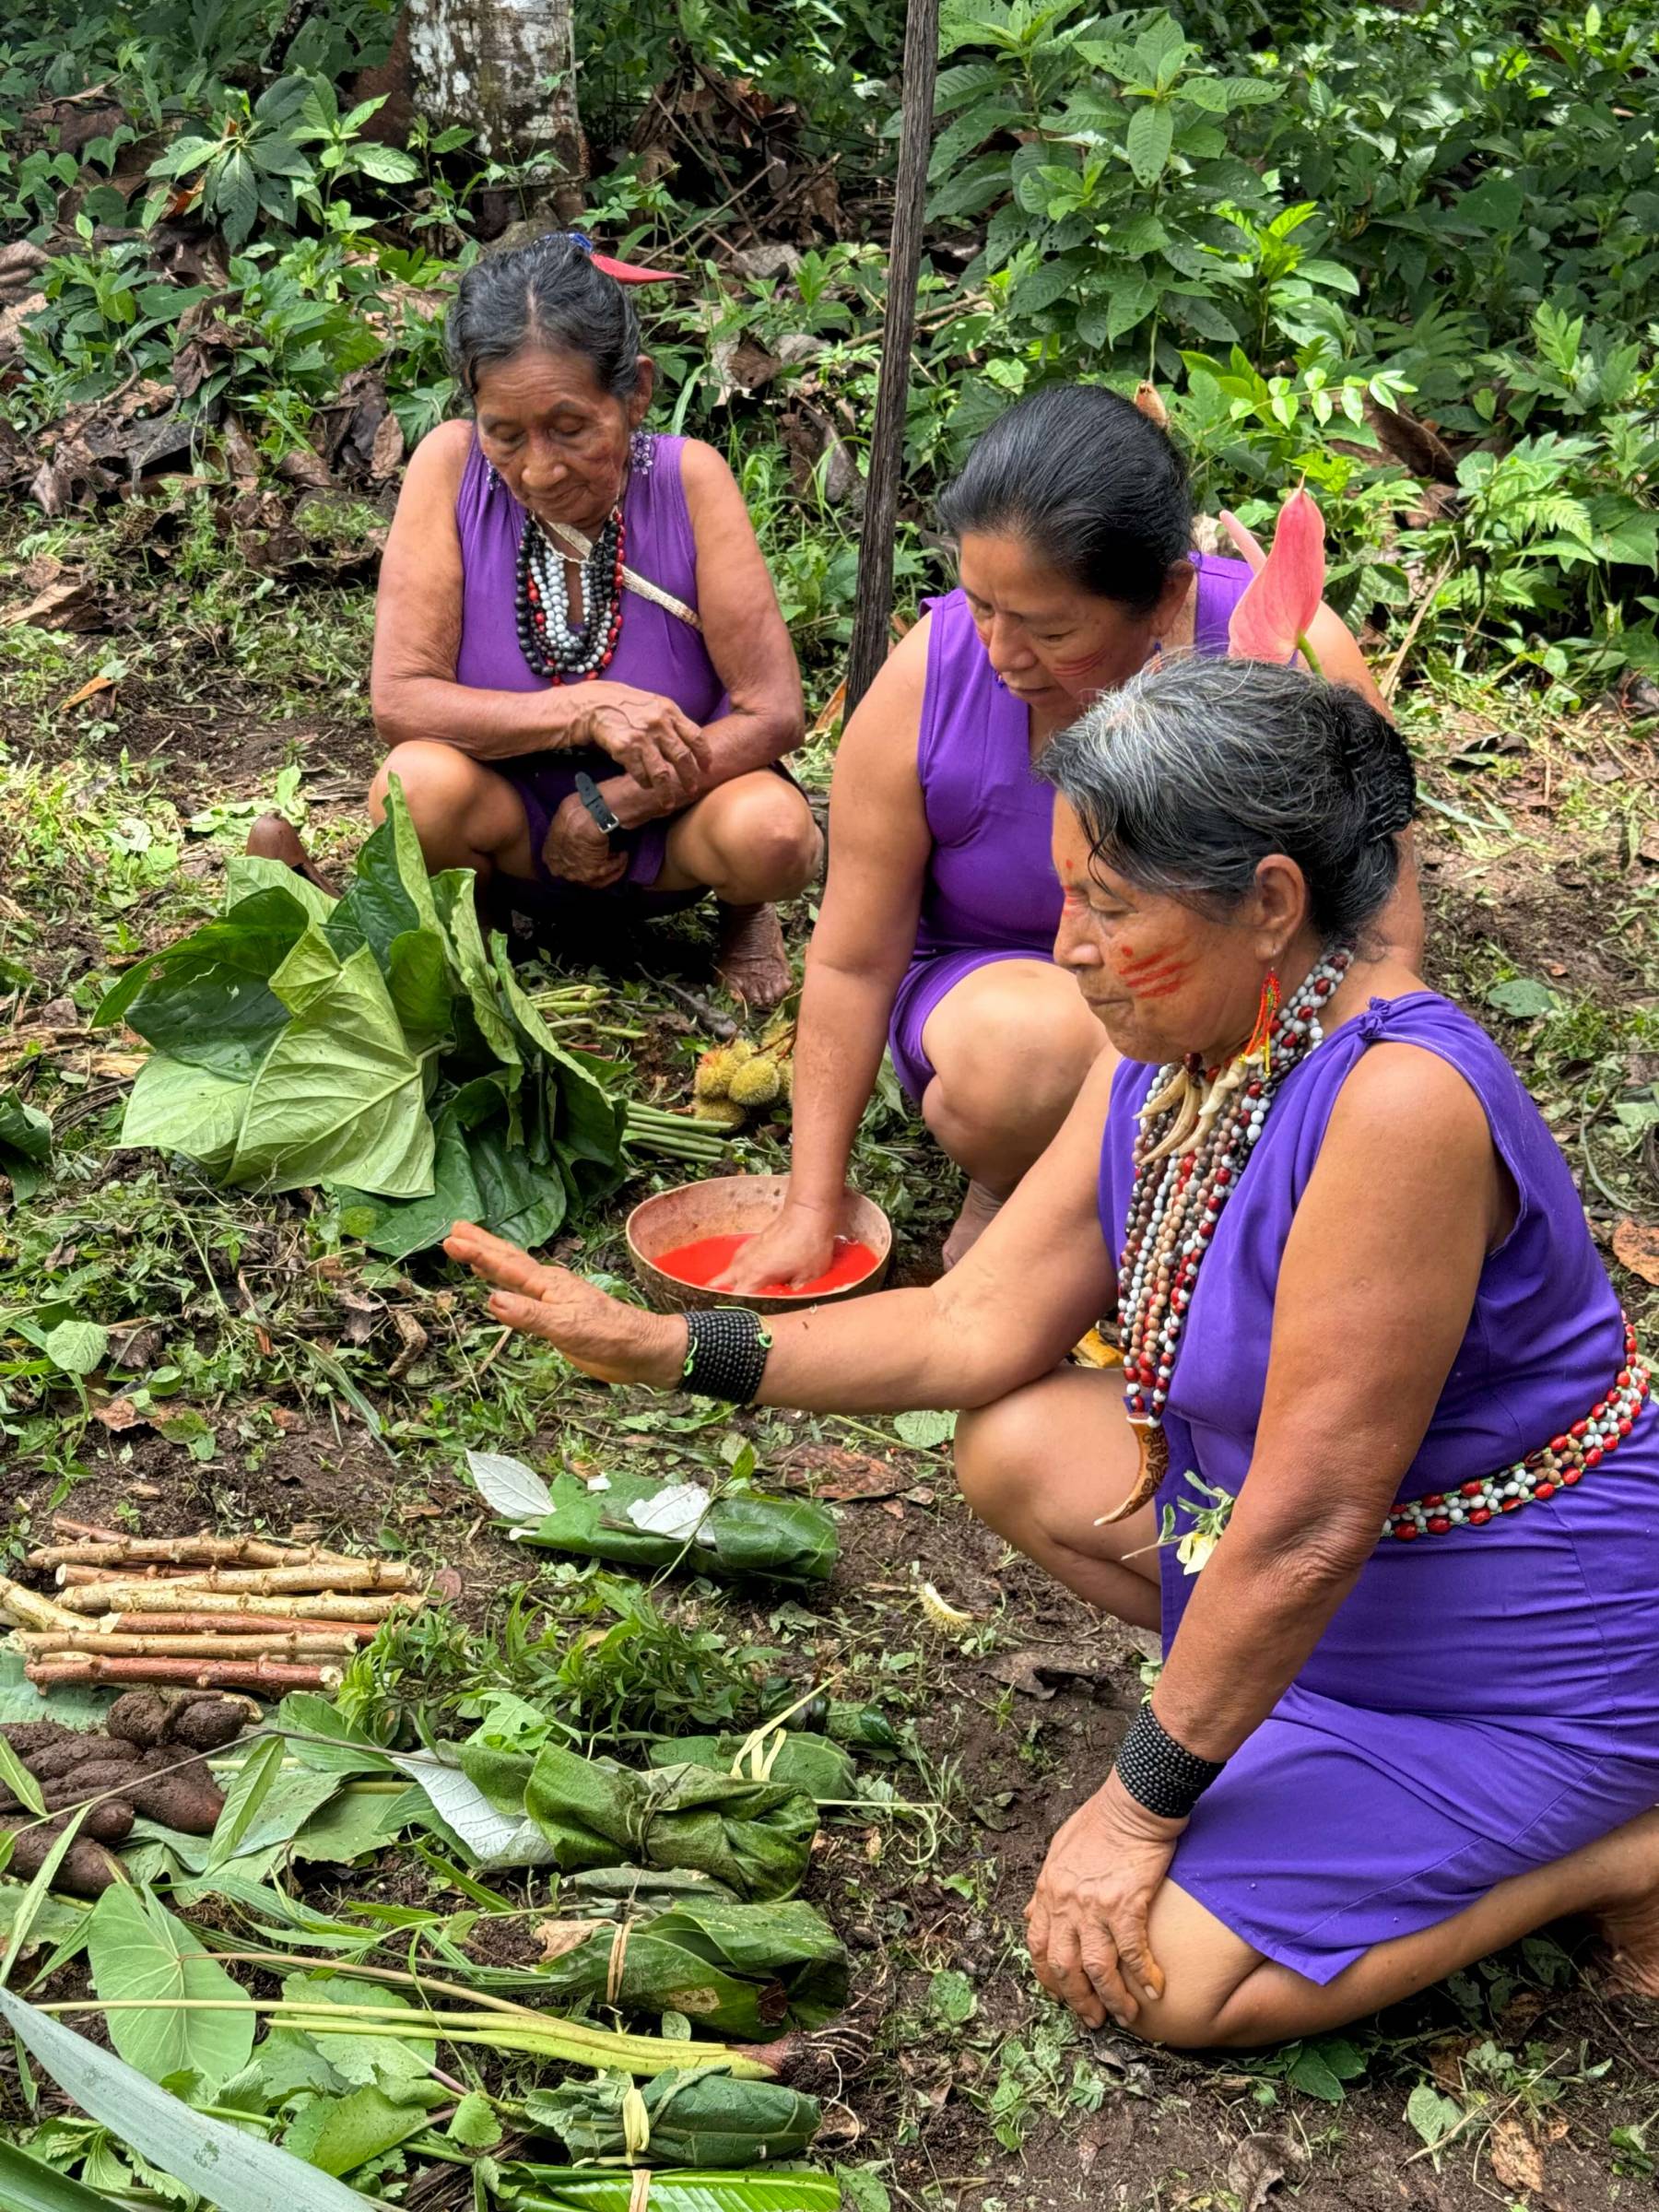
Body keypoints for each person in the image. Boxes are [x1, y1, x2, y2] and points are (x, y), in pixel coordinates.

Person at [443, 653, 1659, 2049]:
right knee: (1021, 1445)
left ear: (1269, 903)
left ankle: (1622, 1844)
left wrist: (1139, 1804)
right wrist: (667, 1347)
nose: (1066, 945)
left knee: (1172, 1984)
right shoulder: (1170, 1043)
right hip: (1332, 1570)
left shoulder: (1397, 1106)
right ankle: (1277, 1710)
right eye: (1067, 892)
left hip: (1520, 1636)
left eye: (1110, 907)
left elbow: (1316, 1517)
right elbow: (975, 1323)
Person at [722, 383, 1404, 1288]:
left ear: (1165, 599)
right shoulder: (931, 680)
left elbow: (1382, 938)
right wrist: (812, 1206)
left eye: (1049, 629)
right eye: (981, 606)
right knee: (1047, 1048)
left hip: (1236, 1018)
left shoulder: (1286, 655)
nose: (1002, 653)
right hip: (998, 1000)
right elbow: (851, 960)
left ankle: (1170, 1226)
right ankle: (1032, 1194)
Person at [364, 230, 819, 1009]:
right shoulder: (447, 467)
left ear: (635, 392)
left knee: (773, 834)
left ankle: (744, 914)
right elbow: (400, 701)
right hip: (507, 825)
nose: (538, 470)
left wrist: (614, 804)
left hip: (670, 826)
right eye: (505, 434)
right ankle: (477, 920)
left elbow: (774, 712)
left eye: (570, 428)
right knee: (411, 790)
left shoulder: (688, 482)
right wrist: (581, 710)